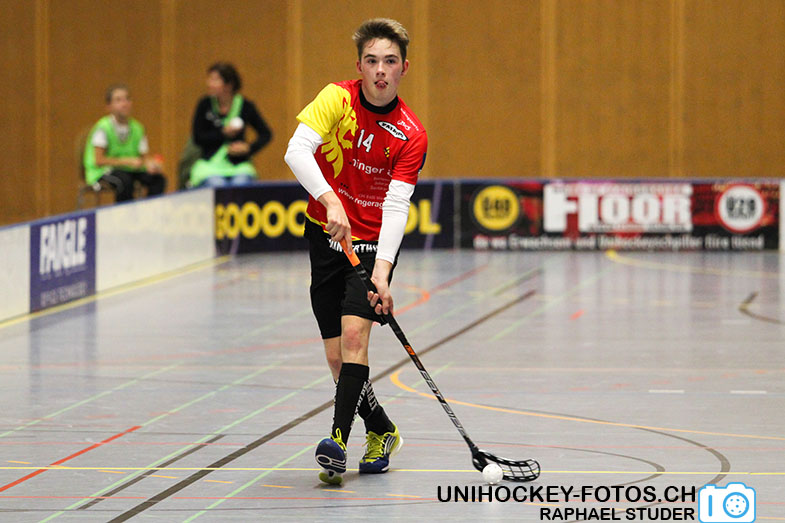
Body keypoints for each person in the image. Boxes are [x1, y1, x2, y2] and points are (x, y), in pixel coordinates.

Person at [284, 18, 427, 485]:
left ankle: (337, 444)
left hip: (368, 246)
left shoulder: (411, 134)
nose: (380, 70)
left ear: (404, 68)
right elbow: (296, 150)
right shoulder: (336, 98)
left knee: (353, 341)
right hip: (324, 237)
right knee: (337, 359)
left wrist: (382, 271)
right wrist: (331, 201)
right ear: (360, 66)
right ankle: (381, 428)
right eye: (372, 61)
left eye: (390, 61)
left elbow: (397, 205)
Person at [190, 62, 272, 188]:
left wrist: (248, 148)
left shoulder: (246, 106)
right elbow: (197, 137)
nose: (209, 84)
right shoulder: (205, 105)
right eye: (210, 79)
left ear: (229, 85)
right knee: (217, 184)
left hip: (238, 165)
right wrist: (223, 134)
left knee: (240, 183)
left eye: (215, 80)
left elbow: (266, 134)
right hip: (209, 165)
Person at [83, 84, 166, 202]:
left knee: (158, 179)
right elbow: (99, 160)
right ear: (108, 107)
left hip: (129, 170)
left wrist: (151, 164)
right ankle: (125, 213)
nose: (124, 103)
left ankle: (150, 210)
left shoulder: (138, 128)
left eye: (127, 99)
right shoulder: (103, 128)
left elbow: (144, 157)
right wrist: (126, 161)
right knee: (125, 181)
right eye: (118, 100)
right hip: (104, 171)